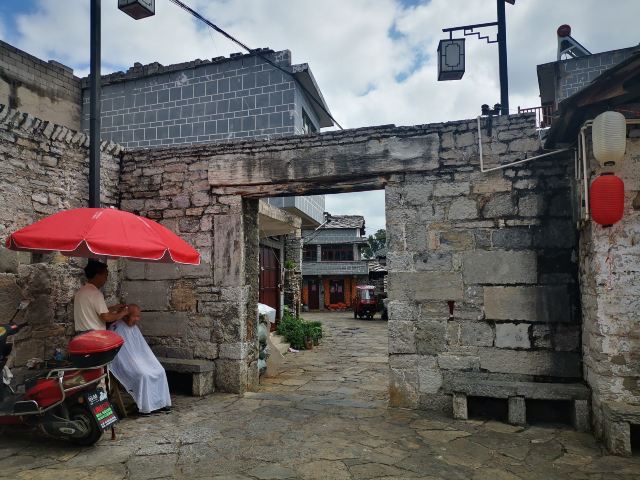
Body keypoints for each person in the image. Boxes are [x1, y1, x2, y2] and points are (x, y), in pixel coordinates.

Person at [109, 304, 172, 415]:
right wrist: (134, 362)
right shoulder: (116, 328)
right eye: (135, 316)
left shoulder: (134, 328)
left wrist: (146, 361)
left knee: (160, 371)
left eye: (138, 316)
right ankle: (146, 406)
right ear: (125, 315)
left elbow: (142, 348)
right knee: (144, 375)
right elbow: (121, 354)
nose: (137, 319)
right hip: (126, 362)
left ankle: (161, 403)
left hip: (139, 360)